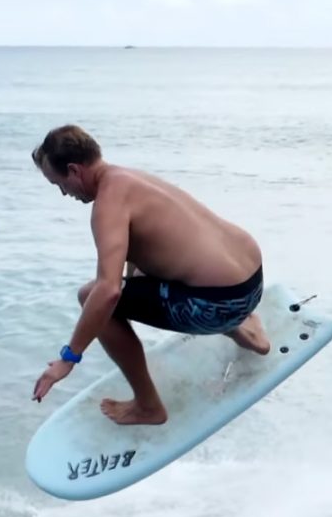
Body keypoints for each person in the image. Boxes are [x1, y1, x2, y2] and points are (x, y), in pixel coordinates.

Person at [30, 124, 270, 426]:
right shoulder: (131, 179)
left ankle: (148, 406)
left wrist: (68, 359)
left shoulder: (108, 205)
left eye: (59, 184)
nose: (65, 193)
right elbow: (142, 258)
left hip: (218, 305)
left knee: (91, 296)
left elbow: (108, 292)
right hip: (252, 283)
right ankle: (245, 329)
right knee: (154, 272)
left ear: (75, 171)